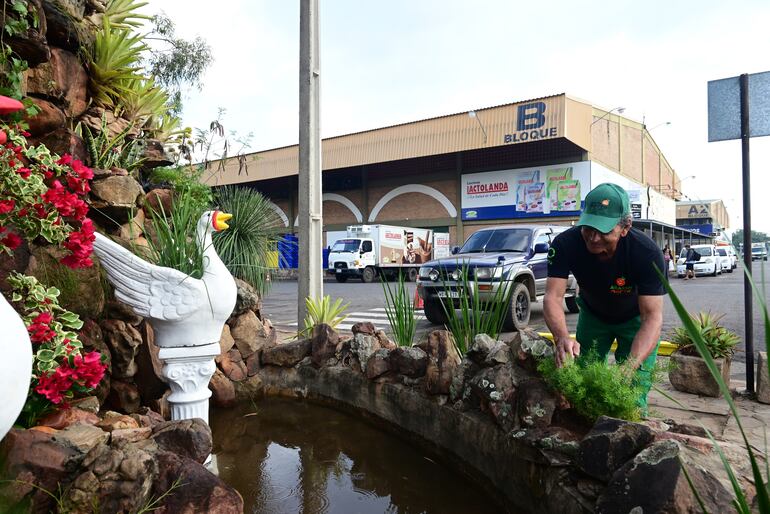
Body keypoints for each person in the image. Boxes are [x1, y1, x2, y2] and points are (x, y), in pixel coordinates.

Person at [543, 183, 665, 414]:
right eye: (588, 227)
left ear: (625, 227)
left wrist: (630, 366)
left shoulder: (646, 252)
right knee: (583, 384)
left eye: (604, 230)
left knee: (631, 393)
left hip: (636, 321)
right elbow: (552, 296)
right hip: (593, 316)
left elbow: (653, 317)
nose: (594, 237)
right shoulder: (565, 244)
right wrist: (562, 338)